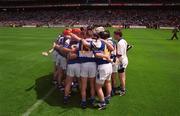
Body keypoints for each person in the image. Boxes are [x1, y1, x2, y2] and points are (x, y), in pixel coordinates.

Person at [114, 30, 128, 96]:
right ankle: (121, 86)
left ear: (118, 35)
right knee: (123, 75)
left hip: (121, 62)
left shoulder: (119, 43)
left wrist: (114, 54)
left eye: (114, 35)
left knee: (121, 77)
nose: (114, 36)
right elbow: (127, 48)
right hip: (124, 59)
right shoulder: (124, 40)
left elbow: (119, 54)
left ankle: (123, 90)